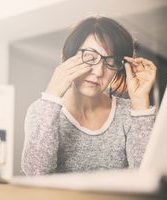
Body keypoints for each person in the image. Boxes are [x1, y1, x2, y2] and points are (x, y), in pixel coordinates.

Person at [21, 16, 157, 176]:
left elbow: (147, 174)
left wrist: (141, 103)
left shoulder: (129, 113)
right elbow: (36, 171)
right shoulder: (41, 110)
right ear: (69, 56)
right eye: (90, 57)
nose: (99, 72)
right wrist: (51, 97)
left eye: (111, 62)